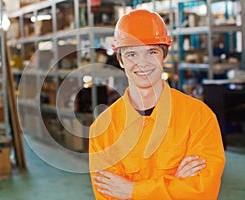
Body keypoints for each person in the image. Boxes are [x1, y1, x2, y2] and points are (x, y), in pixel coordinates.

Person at [89, 9, 225, 199]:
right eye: (131, 54)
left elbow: (202, 191)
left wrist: (131, 190)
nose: (142, 63)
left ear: (164, 56)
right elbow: (108, 195)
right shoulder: (103, 129)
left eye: (151, 52)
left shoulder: (199, 117)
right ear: (120, 60)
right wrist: (175, 185)